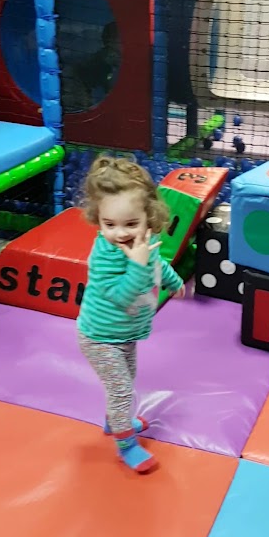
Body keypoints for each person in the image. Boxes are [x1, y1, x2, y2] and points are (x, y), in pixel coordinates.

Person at [77, 156, 185, 473]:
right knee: (122, 390)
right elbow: (122, 296)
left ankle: (116, 421)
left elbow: (156, 262)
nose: (120, 233)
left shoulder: (144, 242)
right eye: (109, 225)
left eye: (131, 224)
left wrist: (173, 281)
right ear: (98, 219)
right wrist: (137, 264)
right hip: (99, 338)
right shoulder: (104, 256)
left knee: (127, 381)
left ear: (148, 217)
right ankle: (126, 444)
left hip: (126, 333)